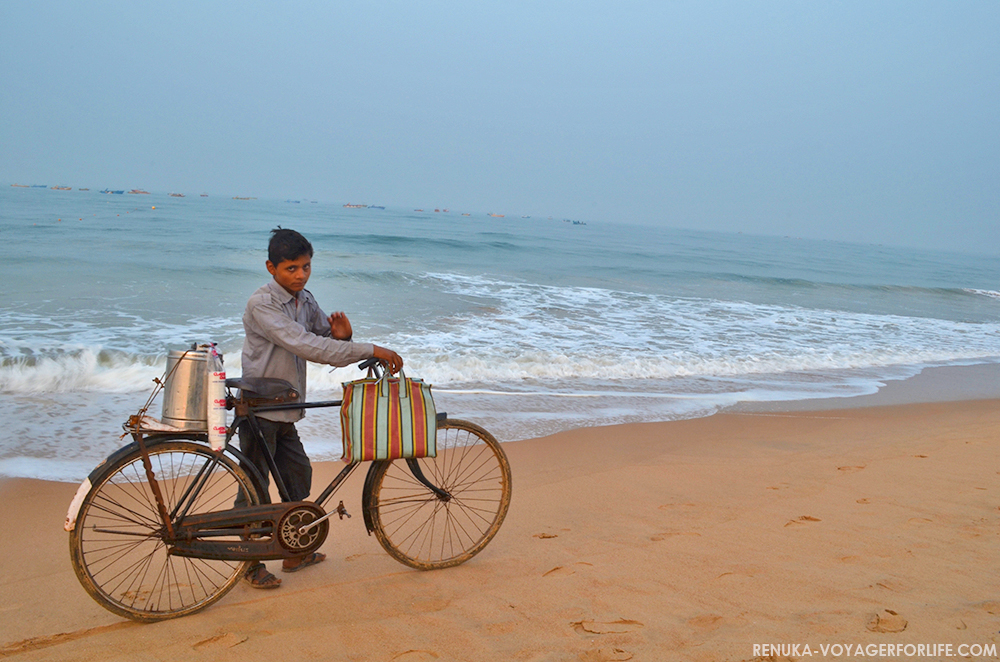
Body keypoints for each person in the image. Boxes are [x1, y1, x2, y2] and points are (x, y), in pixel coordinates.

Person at [239, 227, 403, 589]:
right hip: (259, 408)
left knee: (297, 478)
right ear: (271, 267)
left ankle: (294, 550)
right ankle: (249, 565)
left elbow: (323, 341)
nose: (300, 275)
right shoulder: (262, 304)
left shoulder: (305, 299)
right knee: (253, 488)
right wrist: (370, 349)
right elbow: (307, 347)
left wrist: (343, 336)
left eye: (306, 267)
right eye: (291, 269)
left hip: (287, 406)